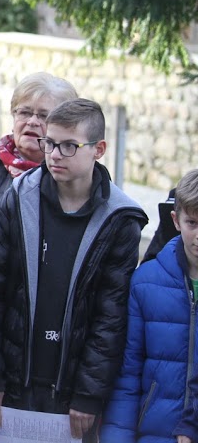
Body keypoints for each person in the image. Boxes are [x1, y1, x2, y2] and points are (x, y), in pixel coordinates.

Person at [0, 98, 147, 443]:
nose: (55, 154)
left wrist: (89, 394)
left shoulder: (121, 220)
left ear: (99, 149)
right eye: (50, 143)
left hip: (73, 392)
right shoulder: (18, 198)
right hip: (13, 383)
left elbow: (111, 316)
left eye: (69, 146)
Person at [0, 72, 78, 409]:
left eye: (44, 115)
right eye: (24, 112)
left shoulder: (76, 181)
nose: (32, 122)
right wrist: (18, 273)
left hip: (50, 331)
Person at [101, 169, 198, 443]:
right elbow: (128, 374)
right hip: (155, 433)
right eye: (192, 222)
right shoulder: (145, 283)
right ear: (176, 221)